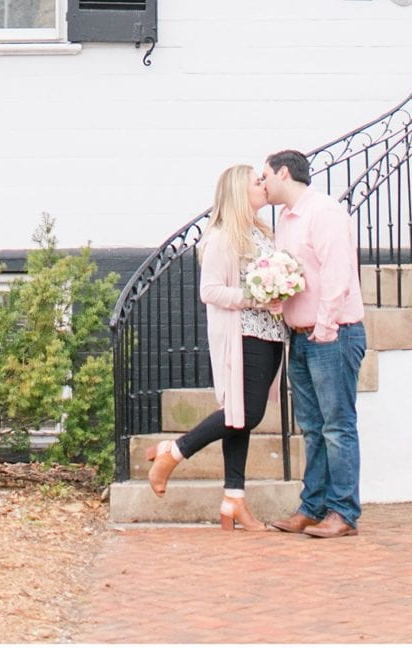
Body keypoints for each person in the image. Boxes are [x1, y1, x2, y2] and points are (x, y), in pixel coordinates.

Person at [147, 164, 287, 531]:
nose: (263, 184)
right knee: (246, 414)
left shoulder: (262, 232)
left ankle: (233, 501)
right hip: (244, 334)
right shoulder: (224, 237)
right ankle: (174, 453)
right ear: (240, 192)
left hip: (270, 333)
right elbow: (208, 291)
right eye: (257, 181)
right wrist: (256, 297)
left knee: (240, 420)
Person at [261, 149, 366, 539]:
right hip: (300, 335)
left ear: (283, 173)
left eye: (265, 175)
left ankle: (343, 512)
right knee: (311, 427)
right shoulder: (286, 221)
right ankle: (313, 506)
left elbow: (338, 273)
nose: (263, 183)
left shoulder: (324, 213)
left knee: (338, 426)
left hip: (332, 333)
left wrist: (324, 327)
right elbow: (296, 276)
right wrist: (278, 299)